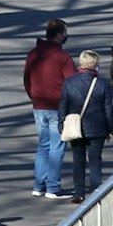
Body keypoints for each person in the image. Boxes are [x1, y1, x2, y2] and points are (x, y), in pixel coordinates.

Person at [24, 19, 76, 200]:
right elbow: (72, 83)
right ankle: (53, 187)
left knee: (43, 146)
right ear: (60, 34)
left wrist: (34, 96)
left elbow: (26, 79)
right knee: (57, 147)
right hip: (57, 107)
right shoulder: (63, 57)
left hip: (38, 106)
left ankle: (38, 185)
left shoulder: (33, 54)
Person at [57, 52, 113, 204]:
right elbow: (108, 108)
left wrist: (61, 124)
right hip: (98, 127)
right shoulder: (101, 84)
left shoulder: (69, 82)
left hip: (76, 127)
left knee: (78, 160)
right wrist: (110, 129)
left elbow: (63, 105)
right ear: (95, 64)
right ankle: (95, 192)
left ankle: (79, 193)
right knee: (95, 160)